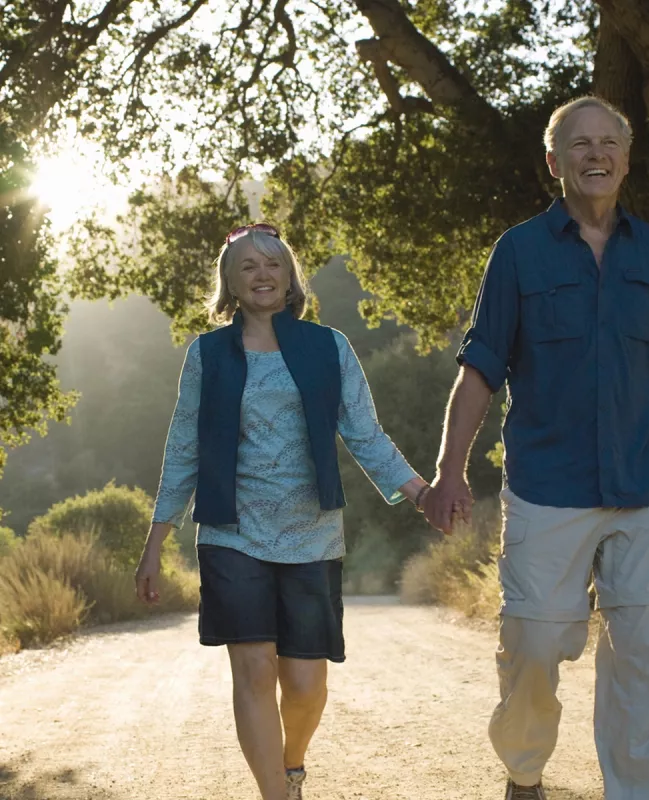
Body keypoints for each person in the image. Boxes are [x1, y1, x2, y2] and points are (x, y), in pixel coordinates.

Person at [423, 97, 649, 800]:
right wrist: (449, 469)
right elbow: (480, 368)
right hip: (548, 487)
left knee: (645, 662)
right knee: (532, 647)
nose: (597, 154)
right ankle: (524, 770)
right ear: (555, 163)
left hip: (646, 489)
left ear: (626, 156)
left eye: (610, 142)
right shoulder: (519, 251)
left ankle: (638, 791)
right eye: (580, 144)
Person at [135, 223, 431, 800]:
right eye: (247, 266)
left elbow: (363, 432)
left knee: (304, 682)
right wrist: (156, 539)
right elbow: (183, 448)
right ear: (230, 281)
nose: (262, 274)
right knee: (252, 671)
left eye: (272, 263)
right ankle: (274, 794)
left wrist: (419, 490)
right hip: (230, 531)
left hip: (311, 533)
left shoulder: (329, 346)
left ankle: (291, 767)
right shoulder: (207, 354)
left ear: (291, 276)